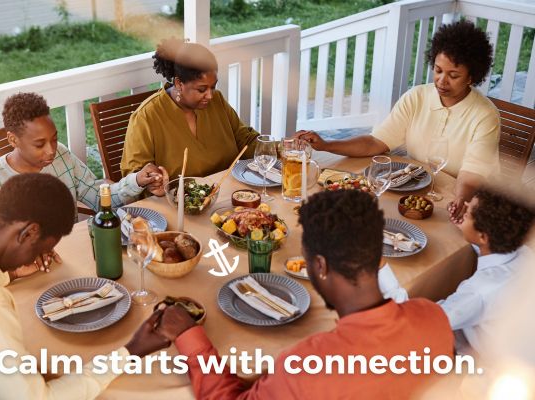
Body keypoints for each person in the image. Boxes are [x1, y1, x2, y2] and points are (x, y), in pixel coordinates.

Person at [154, 190, 454, 399]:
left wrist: (189, 338)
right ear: (378, 257)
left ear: (319, 266)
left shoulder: (305, 366)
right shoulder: (433, 317)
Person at [0, 174, 170, 399]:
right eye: (39, 251)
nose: (35, 260)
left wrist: (12, 272)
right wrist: (131, 351)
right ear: (29, 233)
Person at [295, 20, 499, 223]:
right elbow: (375, 143)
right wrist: (326, 145)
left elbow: (472, 173)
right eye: (437, 70)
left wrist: (460, 200)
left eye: (453, 75)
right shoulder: (417, 97)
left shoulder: (485, 115)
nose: (441, 81)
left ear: (472, 77)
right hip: (418, 189)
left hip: (471, 200)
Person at [379, 186, 535, 355]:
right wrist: (470, 231)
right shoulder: (524, 254)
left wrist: (380, 268)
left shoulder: (479, 292)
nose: (465, 205)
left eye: (467, 213)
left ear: (483, 236)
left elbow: (414, 322)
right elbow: (491, 251)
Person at [0, 92, 168, 220]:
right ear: (13, 140)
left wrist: (138, 180)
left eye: (54, 138)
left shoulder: (61, 154)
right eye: (39, 144)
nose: (51, 150)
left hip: (74, 254)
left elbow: (99, 199)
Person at [120, 38, 259, 180]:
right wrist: (151, 180)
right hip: (176, 200)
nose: (210, 95)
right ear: (179, 83)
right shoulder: (147, 116)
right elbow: (135, 175)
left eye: (213, 86)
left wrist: (276, 148)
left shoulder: (217, 100)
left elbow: (246, 141)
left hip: (230, 193)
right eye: (201, 89)